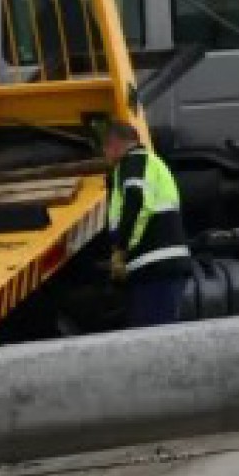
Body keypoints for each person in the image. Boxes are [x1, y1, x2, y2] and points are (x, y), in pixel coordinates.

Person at [103, 122, 192, 328]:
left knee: (151, 336)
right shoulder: (153, 163)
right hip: (163, 264)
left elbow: (135, 201)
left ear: (115, 145)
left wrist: (120, 250)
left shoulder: (134, 162)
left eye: (105, 148)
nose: (104, 155)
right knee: (158, 332)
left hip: (154, 265)